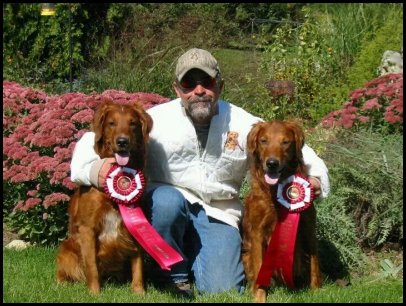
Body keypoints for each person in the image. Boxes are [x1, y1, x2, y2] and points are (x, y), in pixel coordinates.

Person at [70, 48, 330, 298]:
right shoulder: (156, 119)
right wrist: (95, 169)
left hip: (220, 212)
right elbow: (90, 141)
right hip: (170, 205)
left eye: (206, 81)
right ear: (177, 89)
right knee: (165, 201)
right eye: (188, 83)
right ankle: (173, 275)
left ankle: (196, 261)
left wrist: (316, 177)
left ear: (220, 85)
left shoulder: (242, 122)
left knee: (223, 287)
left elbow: (293, 148)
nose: (198, 90)